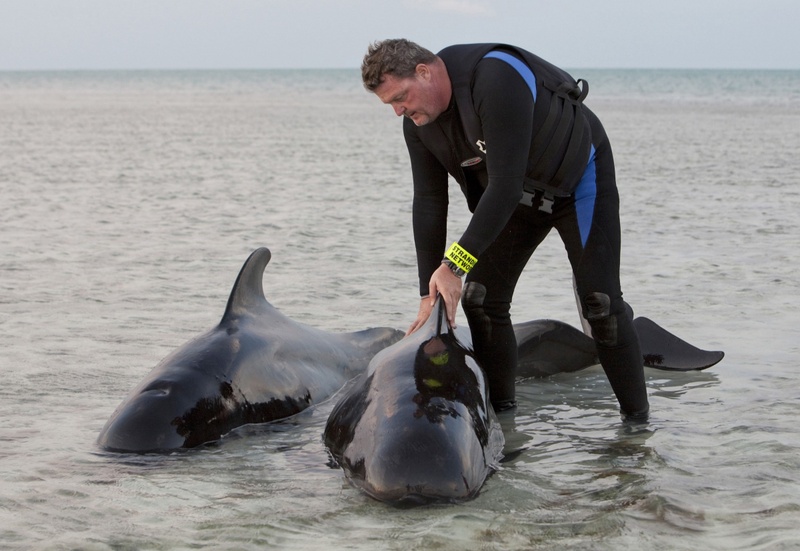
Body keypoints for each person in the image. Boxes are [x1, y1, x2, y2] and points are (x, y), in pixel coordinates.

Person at [361, 39, 649, 421]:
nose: (399, 110)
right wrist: (426, 294)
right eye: (390, 105)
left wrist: (453, 266)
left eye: (401, 97)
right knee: (480, 299)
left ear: (425, 72)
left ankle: (637, 430)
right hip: (515, 201)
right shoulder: (418, 125)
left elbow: (505, 183)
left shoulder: (494, 77)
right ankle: (503, 423)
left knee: (601, 304)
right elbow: (430, 203)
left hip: (577, 183)